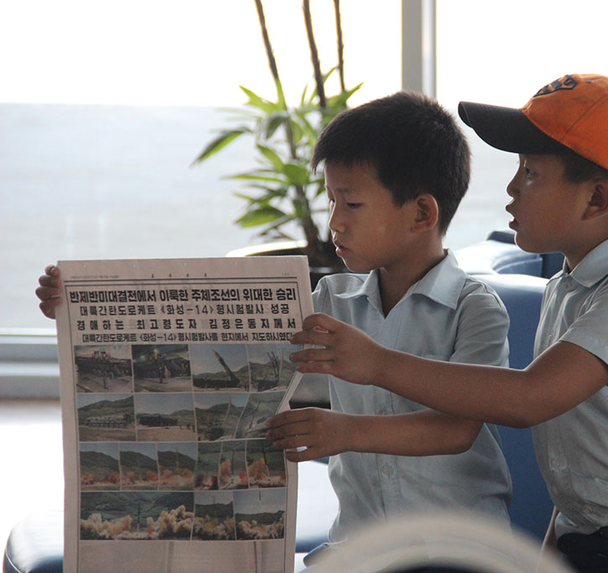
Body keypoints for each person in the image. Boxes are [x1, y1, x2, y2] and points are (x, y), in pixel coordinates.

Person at [286, 74, 608, 573]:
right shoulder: (568, 287)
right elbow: (579, 463)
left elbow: (530, 400)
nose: (512, 187)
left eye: (532, 173)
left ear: (597, 200)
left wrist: (376, 363)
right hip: (597, 548)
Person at [35, 92, 513, 557]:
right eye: (331, 202)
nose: (334, 223)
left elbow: (458, 429)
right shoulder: (329, 301)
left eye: (352, 204)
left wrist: (346, 432)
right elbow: (207, 337)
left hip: (462, 551)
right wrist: (78, 305)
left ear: (422, 213)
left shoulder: (475, 311)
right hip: (361, 548)